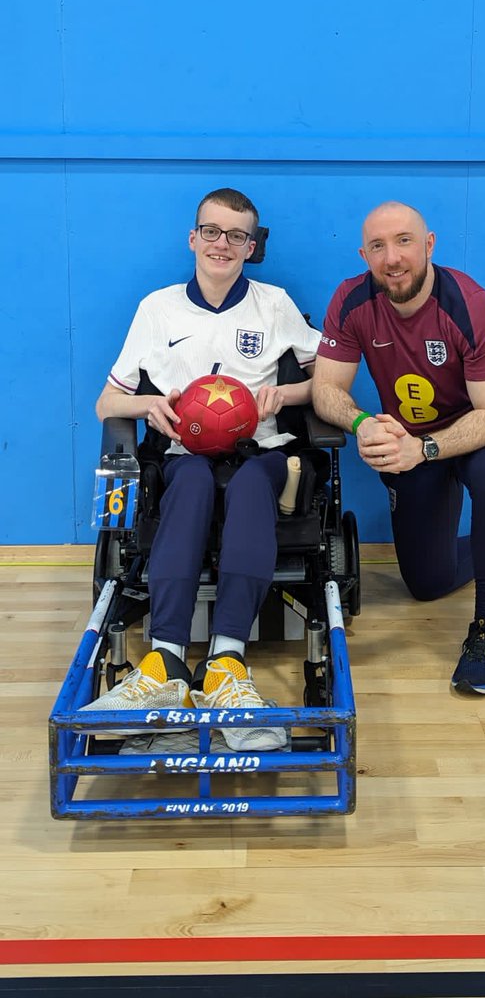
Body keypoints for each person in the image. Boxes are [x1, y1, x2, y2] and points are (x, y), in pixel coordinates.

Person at [312, 201, 485, 696]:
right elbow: (325, 389)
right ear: (364, 254)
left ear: (429, 244)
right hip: (409, 440)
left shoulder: (471, 303)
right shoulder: (352, 300)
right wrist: (361, 424)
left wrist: (426, 449)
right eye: (378, 246)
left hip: (476, 432)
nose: (392, 258)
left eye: (404, 241)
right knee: (426, 583)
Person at [81, 187, 321, 748]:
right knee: (187, 483)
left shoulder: (275, 304)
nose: (222, 244)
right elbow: (105, 404)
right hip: (182, 454)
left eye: (237, 235)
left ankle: (226, 667)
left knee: (254, 486)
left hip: (258, 450)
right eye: (211, 231)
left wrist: (284, 397)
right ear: (193, 238)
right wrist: (149, 405)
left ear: (252, 246)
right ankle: (165, 664)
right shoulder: (156, 308)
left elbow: (327, 381)